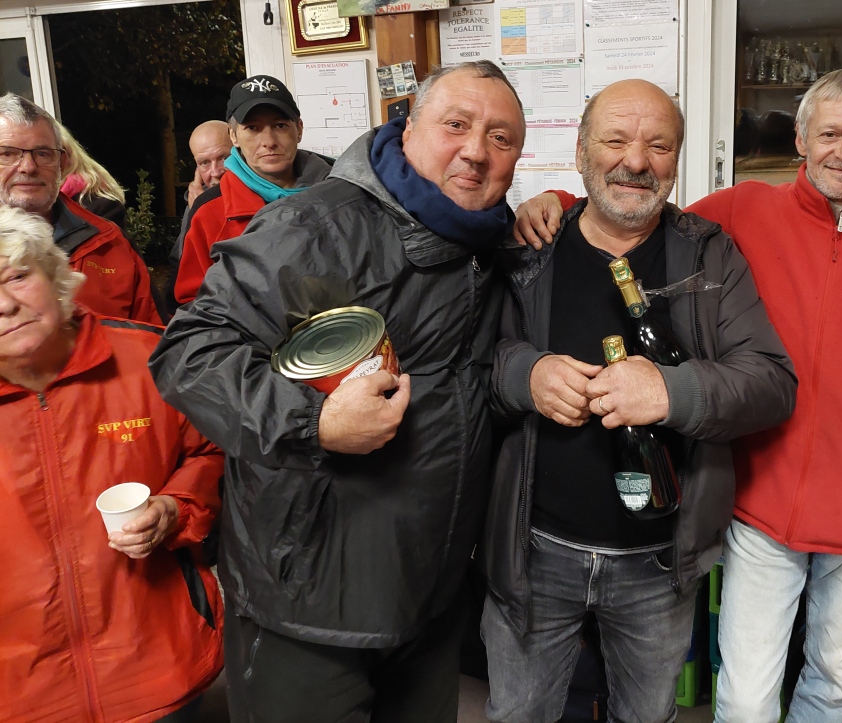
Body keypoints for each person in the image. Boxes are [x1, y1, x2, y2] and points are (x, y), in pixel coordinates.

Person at [514, 68, 842, 722]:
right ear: (802, 141)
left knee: (835, 681)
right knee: (747, 695)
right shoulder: (743, 212)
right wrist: (553, 199)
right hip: (760, 505)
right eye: (831, 132)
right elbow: (632, 213)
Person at [150, 60, 526, 723]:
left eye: (502, 137)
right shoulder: (314, 226)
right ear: (408, 128)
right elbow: (187, 352)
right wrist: (316, 420)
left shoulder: (485, 239)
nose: (476, 150)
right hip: (309, 603)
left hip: (429, 595)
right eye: (457, 125)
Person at [483, 79, 796, 723]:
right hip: (533, 552)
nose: (635, 161)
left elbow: (771, 382)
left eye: (658, 145)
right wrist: (525, 375)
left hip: (659, 560)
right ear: (579, 151)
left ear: (677, 160)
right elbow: (471, 365)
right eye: (615, 140)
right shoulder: (527, 249)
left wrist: (672, 390)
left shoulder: (710, 255)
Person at [0, 203, 224, 723]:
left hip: (156, 668)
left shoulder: (150, 360)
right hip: (21, 695)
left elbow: (211, 452)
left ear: (55, 276)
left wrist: (176, 507)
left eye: (17, 276)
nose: (6, 305)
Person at [0, 93, 161, 324]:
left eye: (43, 153)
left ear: (62, 164)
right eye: (8, 153)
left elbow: (155, 340)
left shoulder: (109, 243)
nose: (28, 166)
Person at [171, 75, 331, 306]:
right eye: (253, 128)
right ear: (234, 136)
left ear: (299, 129)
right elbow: (193, 302)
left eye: (280, 125)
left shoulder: (339, 191)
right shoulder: (209, 211)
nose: (269, 141)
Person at [59, 123, 128, 228]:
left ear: (65, 157)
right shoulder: (36, 205)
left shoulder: (100, 205)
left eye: (43, 154)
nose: (28, 167)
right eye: (23, 155)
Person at [186, 119, 232, 209]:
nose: (215, 172)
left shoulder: (262, 200)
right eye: (205, 163)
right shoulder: (194, 202)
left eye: (224, 158)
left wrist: (206, 210)